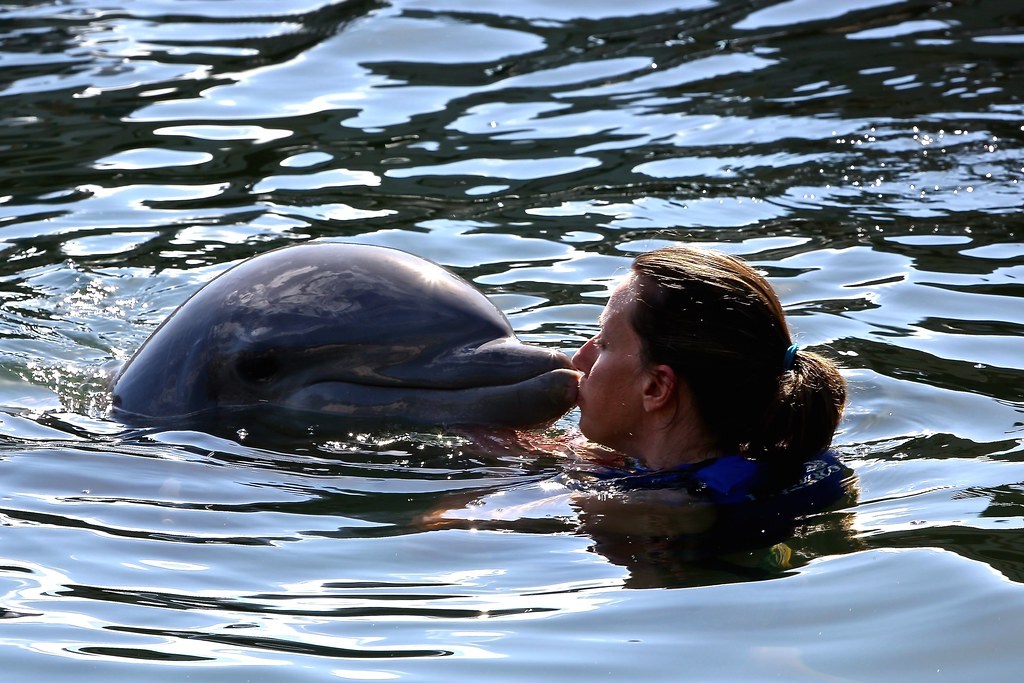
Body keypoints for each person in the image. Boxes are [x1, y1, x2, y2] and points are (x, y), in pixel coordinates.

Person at [571, 245, 848, 501]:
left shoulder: (652, 510)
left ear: (656, 387)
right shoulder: (797, 463)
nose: (580, 357)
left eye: (604, 344)